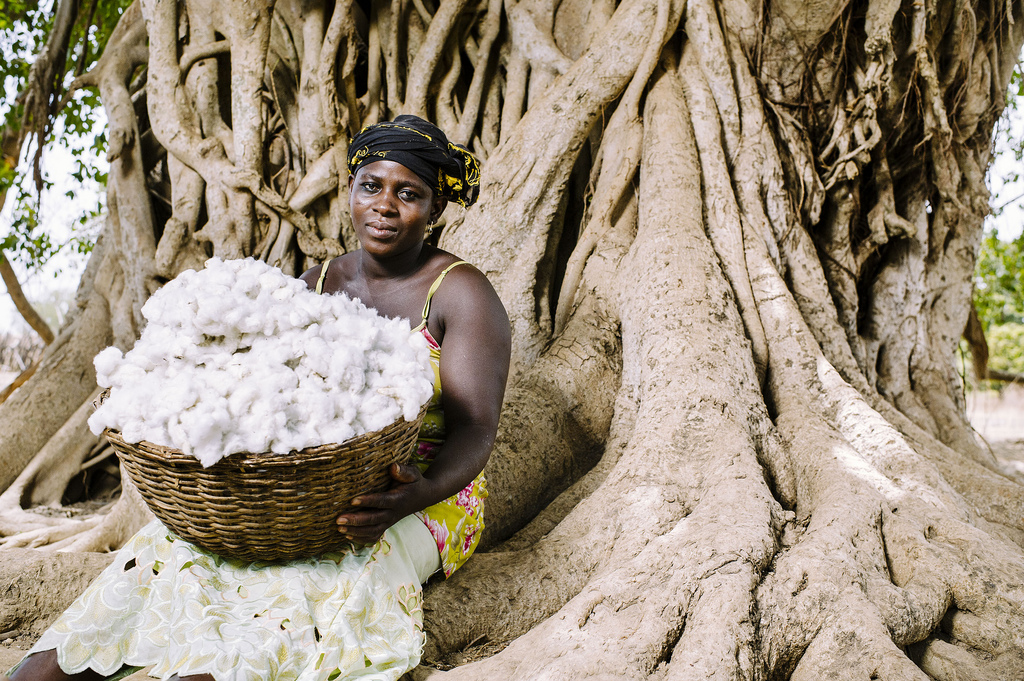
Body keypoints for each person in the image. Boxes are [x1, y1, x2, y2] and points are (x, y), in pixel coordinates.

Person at [7, 115, 511, 681]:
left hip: (423, 496)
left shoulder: (462, 293)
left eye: (409, 193)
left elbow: (476, 429)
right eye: (371, 186)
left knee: (298, 597)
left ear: (435, 210)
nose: (385, 205)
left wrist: (410, 497)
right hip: (303, 494)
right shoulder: (316, 284)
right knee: (168, 560)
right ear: (350, 191)